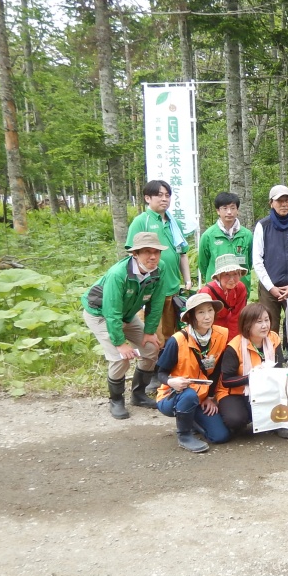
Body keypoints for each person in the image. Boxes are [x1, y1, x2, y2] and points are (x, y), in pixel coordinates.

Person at [81, 231, 167, 419]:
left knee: (152, 348)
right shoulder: (118, 274)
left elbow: (157, 301)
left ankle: (138, 395)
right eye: (147, 252)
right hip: (100, 315)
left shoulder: (160, 269)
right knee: (121, 358)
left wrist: (150, 331)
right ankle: (116, 399)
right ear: (135, 254)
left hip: (127, 314)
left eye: (157, 251)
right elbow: (111, 311)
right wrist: (120, 342)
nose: (153, 256)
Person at [155, 294, 230, 453]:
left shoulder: (222, 334)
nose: (207, 316)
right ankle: (184, 435)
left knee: (220, 436)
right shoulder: (177, 340)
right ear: (191, 317)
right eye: (201, 312)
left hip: (201, 396)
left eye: (210, 310)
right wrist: (171, 381)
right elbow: (160, 373)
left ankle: (192, 420)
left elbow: (216, 371)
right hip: (174, 395)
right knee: (188, 395)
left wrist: (210, 397)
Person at [125, 180, 192, 342]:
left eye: (167, 195)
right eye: (159, 195)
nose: (164, 199)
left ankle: (170, 364)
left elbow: (182, 253)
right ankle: (153, 365)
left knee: (173, 333)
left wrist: (187, 279)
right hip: (150, 289)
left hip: (172, 287)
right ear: (148, 198)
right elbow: (131, 255)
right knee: (153, 333)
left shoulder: (173, 223)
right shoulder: (142, 221)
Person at [216, 303, 284, 437]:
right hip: (235, 392)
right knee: (236, 420)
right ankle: (233, 415)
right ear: (247, 325)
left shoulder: (274, 338)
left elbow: (279, 367)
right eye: (259, 322)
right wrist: (253, 376)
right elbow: (226, 381)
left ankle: (275, 422)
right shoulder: (234, 346)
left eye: (266, 320)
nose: (265, 325)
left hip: (265, 388)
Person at [251, 184, 288, 336]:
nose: (284, 204)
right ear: (271, 203)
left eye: (286, 200)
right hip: (269, 287)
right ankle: (273, 359)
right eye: (279, 201)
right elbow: (257, 260)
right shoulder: (262, 226)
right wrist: (271, 287)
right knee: (269, 327)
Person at [198, 191, 254, 293]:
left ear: (237, 210)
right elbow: (203, 265)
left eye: (232, 208)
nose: (229, 212)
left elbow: (249, 263)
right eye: (225, 208)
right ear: (218, 211)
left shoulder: (247, 235)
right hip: (216, 289)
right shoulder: (208, 235)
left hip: (240, 288)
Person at [200, 254, 249, 340]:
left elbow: (238, 316)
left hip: (231, 326)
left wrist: (232, 343)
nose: (232, 279)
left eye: (235, 274)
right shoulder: (206, 292)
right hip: (210, 327)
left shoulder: (240, 288)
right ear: (218, 276)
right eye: (227, 274)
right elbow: (201, 320)